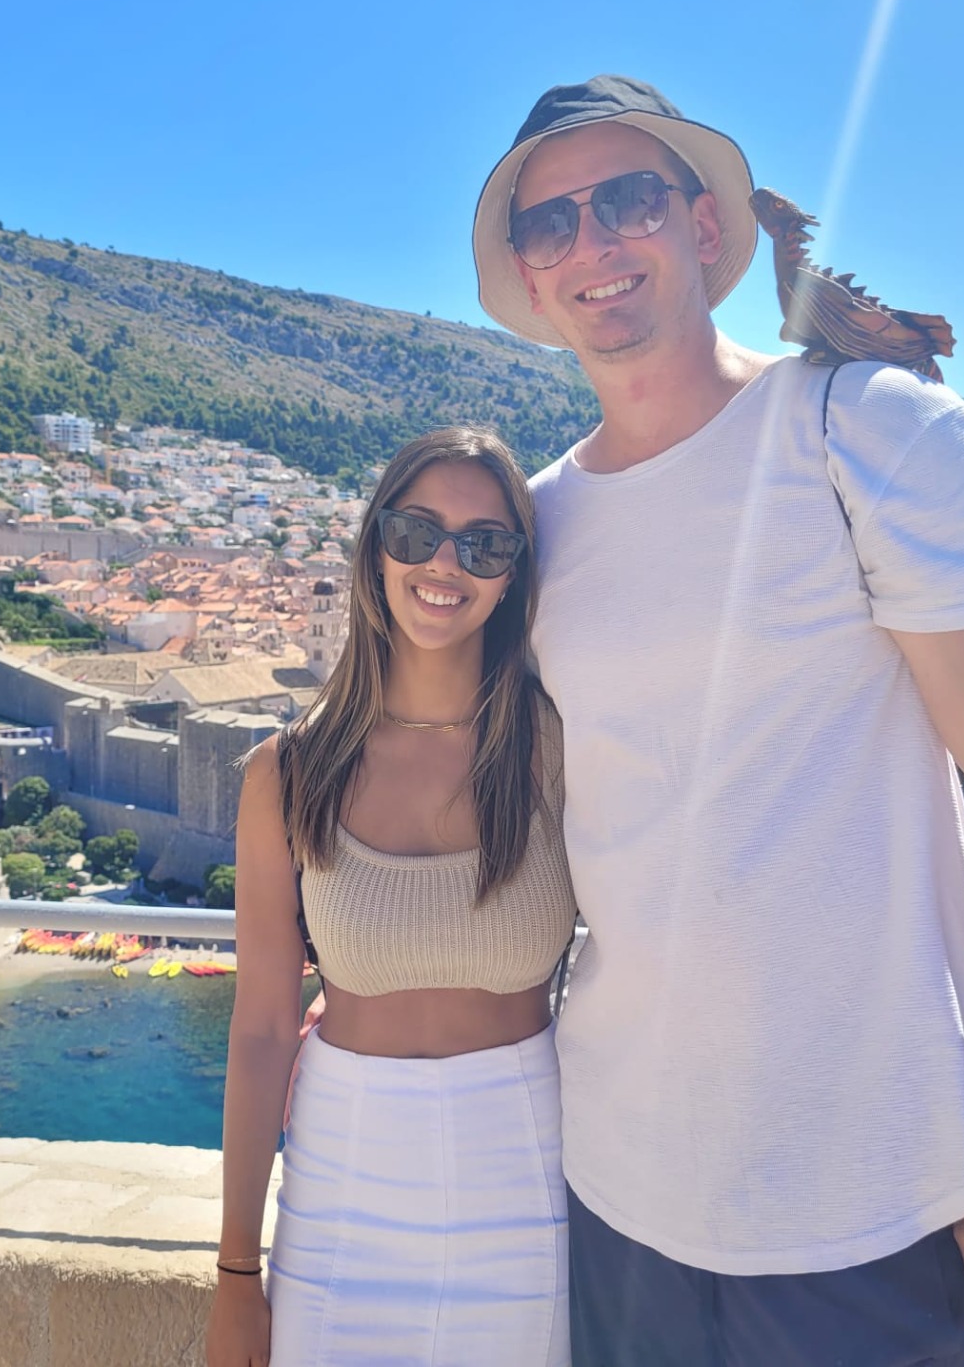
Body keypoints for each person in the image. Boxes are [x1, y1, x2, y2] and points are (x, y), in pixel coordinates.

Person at [469, 77, 964, 1364]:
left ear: (705, 227)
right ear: (532, 276)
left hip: (876, 1206)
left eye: (629, 199)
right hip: (618, 1190)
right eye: (551, 222)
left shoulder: (866, 430)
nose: (593, 241)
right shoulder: (538, 524)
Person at [206, 426, 579, 1367]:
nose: (444, 563)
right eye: (416, 532)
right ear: (376, 547)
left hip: (525, 1163)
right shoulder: (289, 773)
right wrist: (237, 1272)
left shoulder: (558, 749)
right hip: (343, 1170)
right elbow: (261, 1029)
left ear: (512, 574)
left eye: (484, 544)